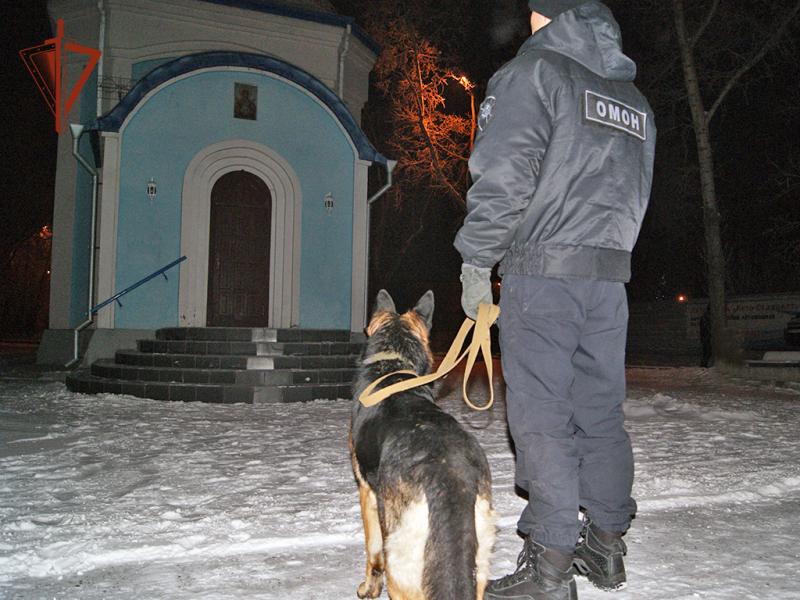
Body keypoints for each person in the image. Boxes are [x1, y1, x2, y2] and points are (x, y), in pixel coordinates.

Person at [455, 1, 656, 599]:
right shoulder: (633, 100)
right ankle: (606, 545)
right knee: (598, 413)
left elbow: (505, 175)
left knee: (541, 416)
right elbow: (632, 191)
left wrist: (476, 258)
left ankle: (548, 568)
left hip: (544, 274)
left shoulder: (533, 73)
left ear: (541, 11)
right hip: (607, 277)